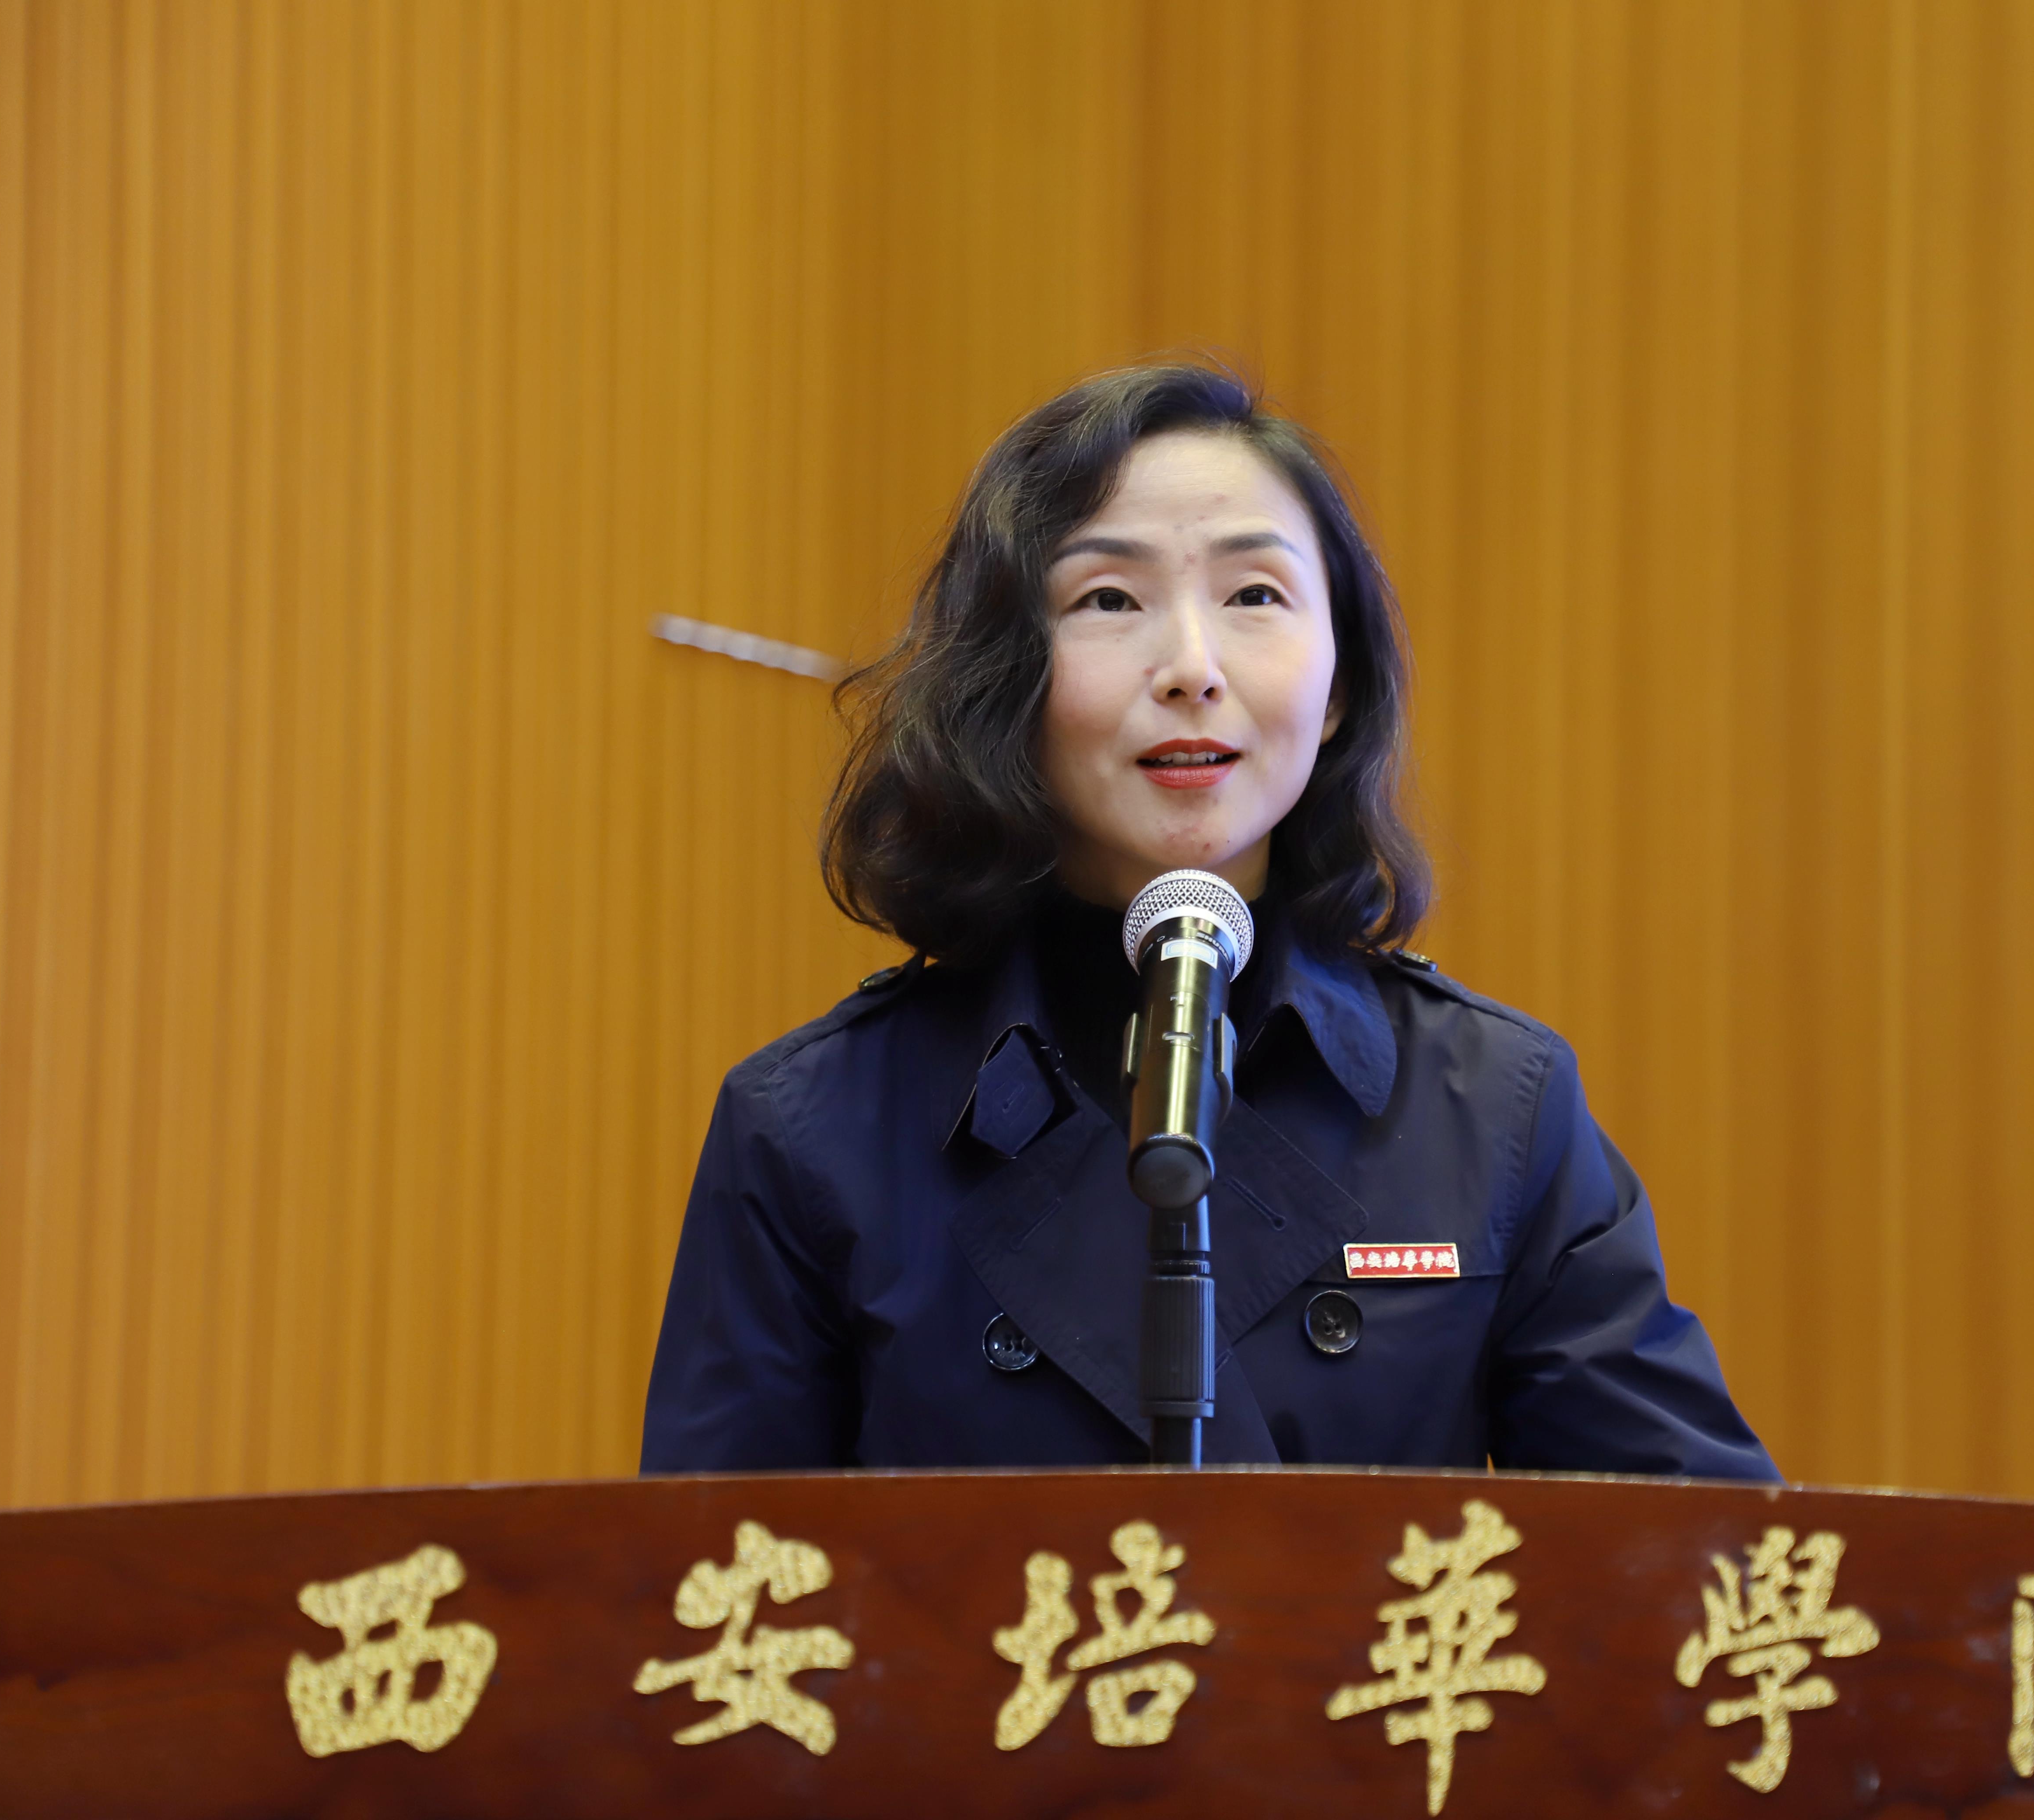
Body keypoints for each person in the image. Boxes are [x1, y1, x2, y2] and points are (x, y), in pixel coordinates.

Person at [640, 364, 1775, 1479]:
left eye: (1254, 597)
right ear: (1007, 680)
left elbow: (1697, 1563)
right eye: (1109, 600)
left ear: (1337, 688)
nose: (1191, 667)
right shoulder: (813, 1130)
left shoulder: (1496, 1111)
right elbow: (714, 1587)